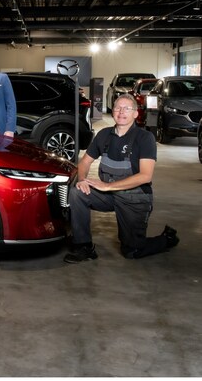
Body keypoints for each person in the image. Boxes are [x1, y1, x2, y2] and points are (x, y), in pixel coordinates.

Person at [63, 93, 179, 263]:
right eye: (118, 108)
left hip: (135, 197)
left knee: (132, 251)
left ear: (135, 114)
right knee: (77, 193)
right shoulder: (104, 135)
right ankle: (84, 246)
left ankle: (166, 239)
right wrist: (82, 180)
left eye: (127, 108)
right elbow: (85, 162)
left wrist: (107, 186)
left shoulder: (144, 138)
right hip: (108, 195)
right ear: (113, 111)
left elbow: (145, 176)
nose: (121, 112)